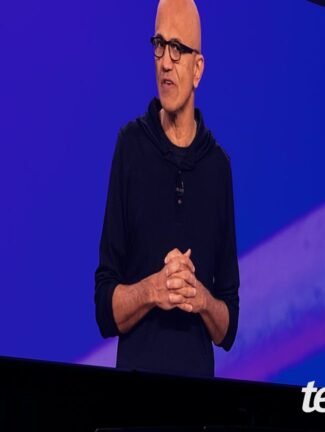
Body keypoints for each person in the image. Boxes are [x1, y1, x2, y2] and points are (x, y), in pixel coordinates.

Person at [94, 0, 239, 378]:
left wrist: (200, 298)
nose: (165, 62)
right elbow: (104, 309)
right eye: (159, 45)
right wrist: (154, 290)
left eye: (177, 49)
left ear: (198, 68)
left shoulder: (218, 168)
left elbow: (228, 326)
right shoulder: (130, 147)